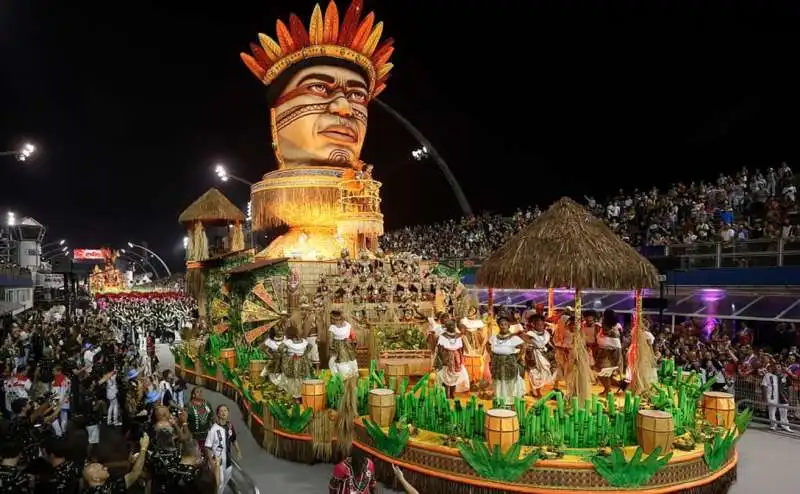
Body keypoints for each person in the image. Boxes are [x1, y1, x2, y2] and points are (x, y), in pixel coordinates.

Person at [82, 432, 149, 493]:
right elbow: (135, 473)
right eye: (102, 468)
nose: (106, 468)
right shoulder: (110, 489)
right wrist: (143, 448)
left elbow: (134, 472)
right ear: (96, 478)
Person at [488, 315, 526, 405]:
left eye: (505, 324)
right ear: (499, 326)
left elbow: (523, 346)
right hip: (497, 363)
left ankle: (509, 401)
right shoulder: (494, 338)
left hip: (510, 363)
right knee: (498, 381)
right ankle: (499, 399)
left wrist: (517, 358)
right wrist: (491, 355)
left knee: (510, 381)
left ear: (508, 326)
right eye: (501, 324)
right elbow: (487, 344)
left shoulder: (513, 338)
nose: (503, 326)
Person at [205, 405, 241, 494]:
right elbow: (207, 446)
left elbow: (234, 439)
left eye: (225, 410)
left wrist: (238, 451)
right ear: (218, 414)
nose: (224, 412)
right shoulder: (213, 429)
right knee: (219, 482)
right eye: (221, 411)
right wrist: (211, 461)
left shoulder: (230, 426)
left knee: (224, 482)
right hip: (218, 461)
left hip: (228, 461)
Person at [433, 320, 470, 399]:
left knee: (454, 378)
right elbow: (440, 349)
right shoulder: (442, 337)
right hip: (446, 361)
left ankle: (452, 394)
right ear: (446, 327)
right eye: (450, 326)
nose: (452, 327)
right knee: (445, 378)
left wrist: (460, 359)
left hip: (456, 360)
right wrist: (444, 360)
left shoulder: (458, 336)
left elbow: (460, 349)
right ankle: (446, 395)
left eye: (453, 325)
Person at [524, 315, 554, 397]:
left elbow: (548, 343)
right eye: (538, 325)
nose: (540, 326)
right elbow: (526, 343)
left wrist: (551, 349)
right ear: (533, 325)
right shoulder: (530, 334)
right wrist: (529, 349)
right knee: (534, 373)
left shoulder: (546, 333)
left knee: (544, 373)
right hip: (534, 355)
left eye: (542, 325)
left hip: (544, 356)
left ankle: (537, 389)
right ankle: (536, 391)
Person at [762, 363, 793, 432]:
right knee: (772, 412)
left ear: (781, 368)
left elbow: (790, 386)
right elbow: (765, 386)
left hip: (783, 397)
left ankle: (785, 426)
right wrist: (765, 397)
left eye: (778, 367)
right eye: (775, 367)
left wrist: (790, 396)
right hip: (773, 397)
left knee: (784, 412)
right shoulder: (771, 376)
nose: (777, 368)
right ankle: (773, 425)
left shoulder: (785, 376)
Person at [328, 310, 358, 380]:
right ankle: (352, 377)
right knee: (350, 361)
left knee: (334, 363)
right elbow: (353, 336)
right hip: (348, 346)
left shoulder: (332, 327)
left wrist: (331, 348)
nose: (331, 320)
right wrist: (353, 343)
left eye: (332, 319)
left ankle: (342, 378)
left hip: (339, 348)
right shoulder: (347, 325)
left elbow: (330, 341)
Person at [187, 387, 213, 453]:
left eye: (201, 391)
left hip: (206, 437)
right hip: (194, 438)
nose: (200, 393)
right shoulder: (188, 406)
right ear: (193, 395)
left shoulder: (207, 404)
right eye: (198, 392)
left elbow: (212, 417)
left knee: (208, 455)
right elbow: (185, 421)